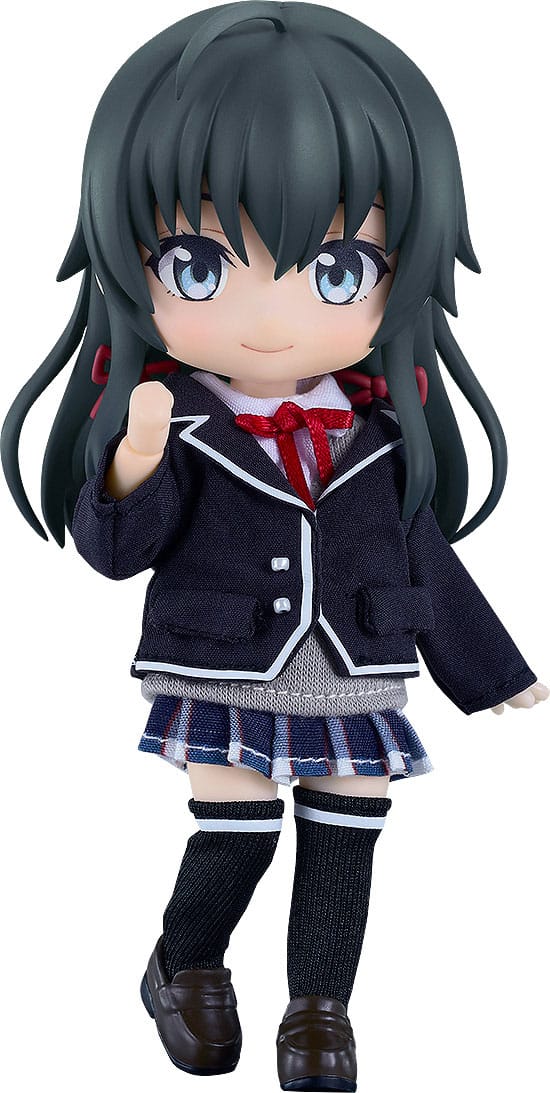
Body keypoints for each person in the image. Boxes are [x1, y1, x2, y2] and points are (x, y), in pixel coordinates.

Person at [2, 4, 547, 1090]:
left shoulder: (380, 432)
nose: (270, 316)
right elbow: (117, 554)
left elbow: (426, 555)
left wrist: (491, 672)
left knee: (349, 833)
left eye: (337, 270)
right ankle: (187, 962)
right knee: (237, 827)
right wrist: (134, 461)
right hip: (222, 657)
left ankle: (320, 1011)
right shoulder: (179, 421)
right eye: (199, 266)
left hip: (355, 661)